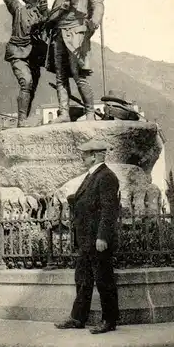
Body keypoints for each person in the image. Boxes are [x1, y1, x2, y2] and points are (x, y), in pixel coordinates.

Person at [55, 139, 120, 334]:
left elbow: (109, 210)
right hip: (86, 240)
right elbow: (88, 200)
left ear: (95, 155)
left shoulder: (106, 176)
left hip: (97, 240)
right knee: (82, 279)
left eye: (85, 154)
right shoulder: (93, 175)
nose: (82, 157)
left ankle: (109, 321)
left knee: (103, 280)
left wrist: (103, 237)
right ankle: (77, 318)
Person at [45, 0, 105, 122]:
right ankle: (63, 113)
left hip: (77, 31)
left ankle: (90, 113)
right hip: (58, 32)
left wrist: (93, 23)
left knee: (78, 74)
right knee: (60, 76)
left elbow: (97, 4)